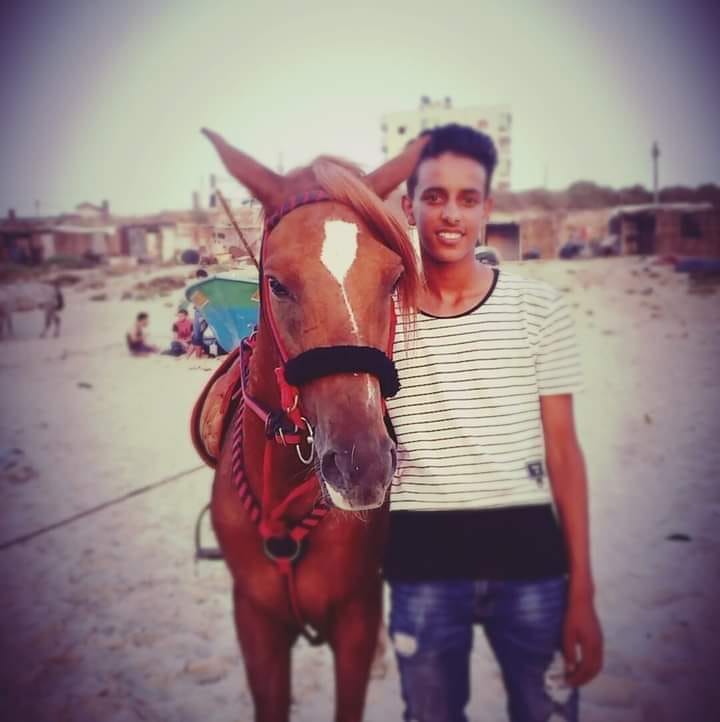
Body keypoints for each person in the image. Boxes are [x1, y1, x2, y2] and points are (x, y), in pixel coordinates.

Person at [384, 124, 603, 722]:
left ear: (487, 207)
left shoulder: (539, 308)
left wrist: (582, 590)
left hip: (532, 564)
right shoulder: (379, 319)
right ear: (409, 205)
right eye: (434, 196)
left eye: (467, 197)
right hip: (421, 568)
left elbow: (565, 454)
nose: (450, 214)